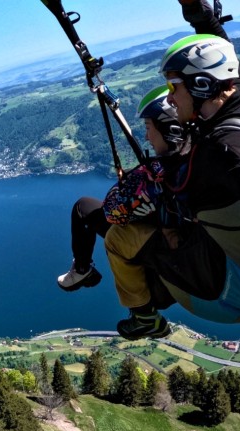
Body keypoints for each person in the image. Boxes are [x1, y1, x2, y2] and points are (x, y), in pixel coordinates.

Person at [102, 0, 240, 339]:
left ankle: (145, 315)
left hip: (226, 292)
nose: (171, 100)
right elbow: (223, 51)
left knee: (118, 238)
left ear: (202, 86)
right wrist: (200, 15)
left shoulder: (221, 147)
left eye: (174, 87)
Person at [56, 86, 187, 292]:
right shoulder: (196, 155)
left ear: (170, 131)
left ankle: (82, 269)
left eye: (148, 127)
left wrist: (128, 183)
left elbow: (112, 211)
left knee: (82, 207)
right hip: (186, 241)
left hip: (163, 249)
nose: (146, 137)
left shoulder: (156, 176)